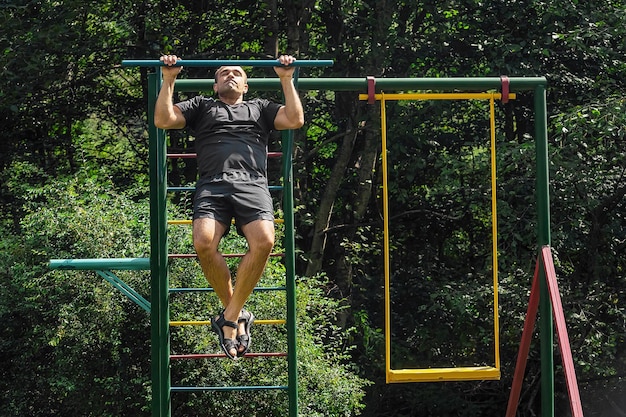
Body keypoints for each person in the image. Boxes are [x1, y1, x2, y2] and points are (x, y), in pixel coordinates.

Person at [154, 54, 304, 359]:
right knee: (203, 243)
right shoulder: (202, 106)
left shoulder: (260, 107)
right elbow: (163, 120)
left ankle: (230, 317)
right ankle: (236, 316)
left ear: (246, 85)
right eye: (224, 73)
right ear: (215, 84)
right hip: (213, 184)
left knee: (265, 242)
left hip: (252, 184)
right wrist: (169, 78)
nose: (231, 76)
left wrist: (286, 78)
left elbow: (294, 119)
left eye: (237, 73)